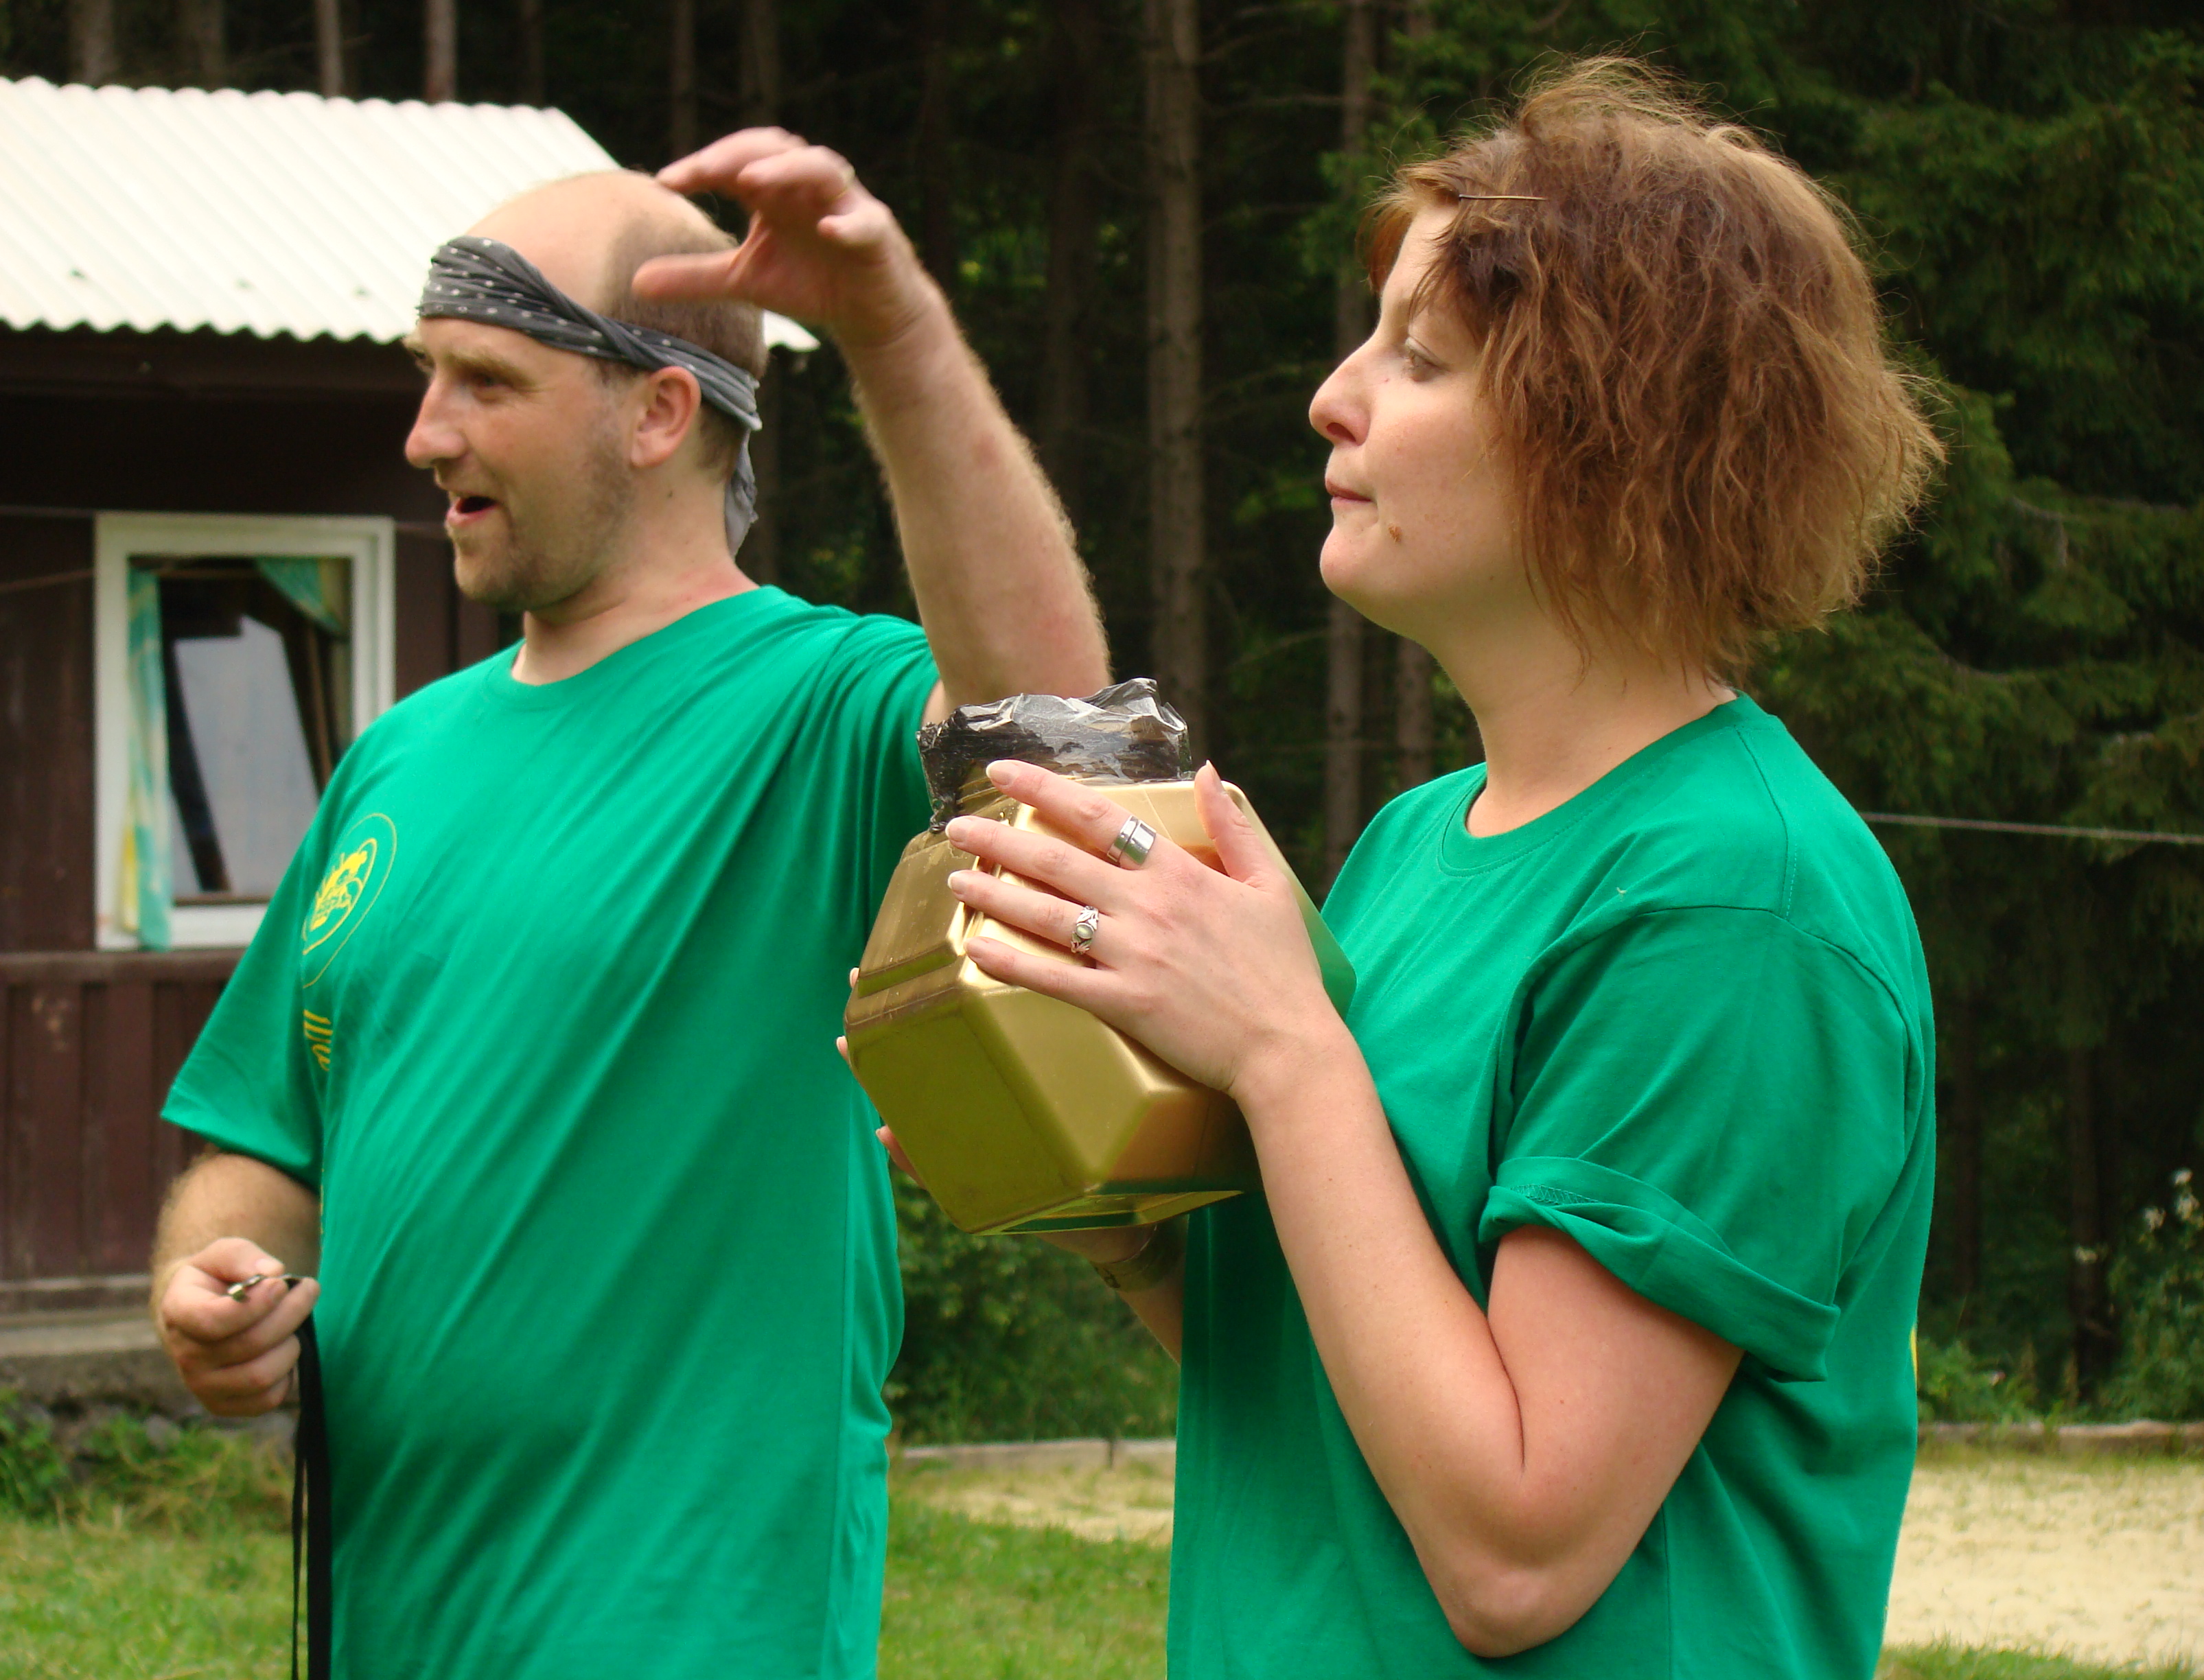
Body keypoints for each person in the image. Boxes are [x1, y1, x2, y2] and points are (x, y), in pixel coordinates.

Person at [923, 59, 1942, 1679]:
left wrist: (1281, 1047)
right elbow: (1325, 1390)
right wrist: (1105, 1209)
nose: (1334, 398)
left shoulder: (1731, 903)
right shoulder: (1417, 841)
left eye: (1420, 357)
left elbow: (1516, 1553)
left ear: (1614, 434)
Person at [149, 141, 1105, 1677]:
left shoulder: (811, 706)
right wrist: (211, 1280)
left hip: (685, 1625)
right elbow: (268, 1140)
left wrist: (894, 329)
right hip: (395, 1622)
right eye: (426, 375)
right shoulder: (400, 756)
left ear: (660, 413)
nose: (424, 434)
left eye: (485, 381)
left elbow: (1049, 721)